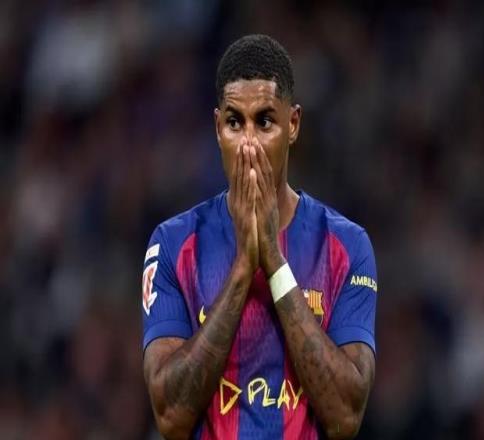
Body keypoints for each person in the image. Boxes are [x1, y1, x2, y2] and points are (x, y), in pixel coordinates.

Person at [142, 34, 377, 440]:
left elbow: (345, 417)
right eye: (235, 123)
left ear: (293, 125)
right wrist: (242, 269)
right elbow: (170, 417)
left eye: (265, 121)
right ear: (218, 128)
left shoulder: (346, 246)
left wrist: (273, 260)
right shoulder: (172, 245)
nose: (249, 142)